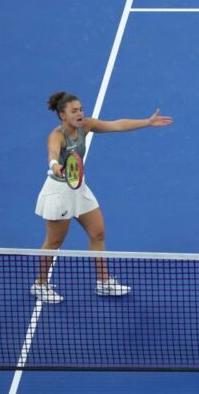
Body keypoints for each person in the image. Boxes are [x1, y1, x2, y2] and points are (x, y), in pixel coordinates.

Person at [30, 91, 172, 304]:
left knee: (98, 232)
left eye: (80, 109)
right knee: (54, 242)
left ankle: (103, 282)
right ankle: (40, 284)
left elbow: (117, 125)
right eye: (74, 111)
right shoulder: (57, 135)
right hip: (59, 193)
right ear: (62, 115)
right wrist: (55, 165)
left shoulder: (86, 125)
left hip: (78, 187)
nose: (79, 114)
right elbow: (52, 153)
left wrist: (147, 122)